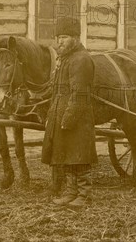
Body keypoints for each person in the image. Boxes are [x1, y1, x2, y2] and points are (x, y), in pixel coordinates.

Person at [41, 17, 97, 208]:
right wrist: (52, 117)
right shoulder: (65, 59)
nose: (59, 41)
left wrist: (68, 118)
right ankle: (71, 192)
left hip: (77, 119)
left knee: (80, 156)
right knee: (67, 155)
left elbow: (80, 94)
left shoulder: (81, 60)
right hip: (62, 116)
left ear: (75, 37)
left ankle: (85, 195)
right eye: (58, 37)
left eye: (64, 37)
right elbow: (56, 92)